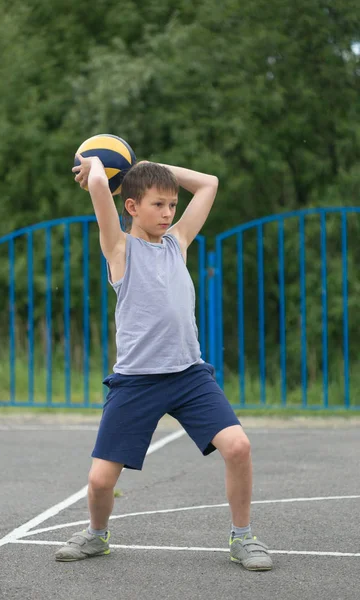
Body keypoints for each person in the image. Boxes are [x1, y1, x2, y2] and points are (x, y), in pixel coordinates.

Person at [54, 155, 272, 571]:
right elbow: (99, 189)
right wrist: (99, 164)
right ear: (132, 207)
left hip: (189, 375)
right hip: (136, 381)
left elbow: (209, 182)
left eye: (172, 204)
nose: (169, 212)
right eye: (159, 204)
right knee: (101, 480)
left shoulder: (178, 242)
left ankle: (243, 539)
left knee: (239, 447)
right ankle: (97, 536)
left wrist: (151, 165)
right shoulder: (119, 248)